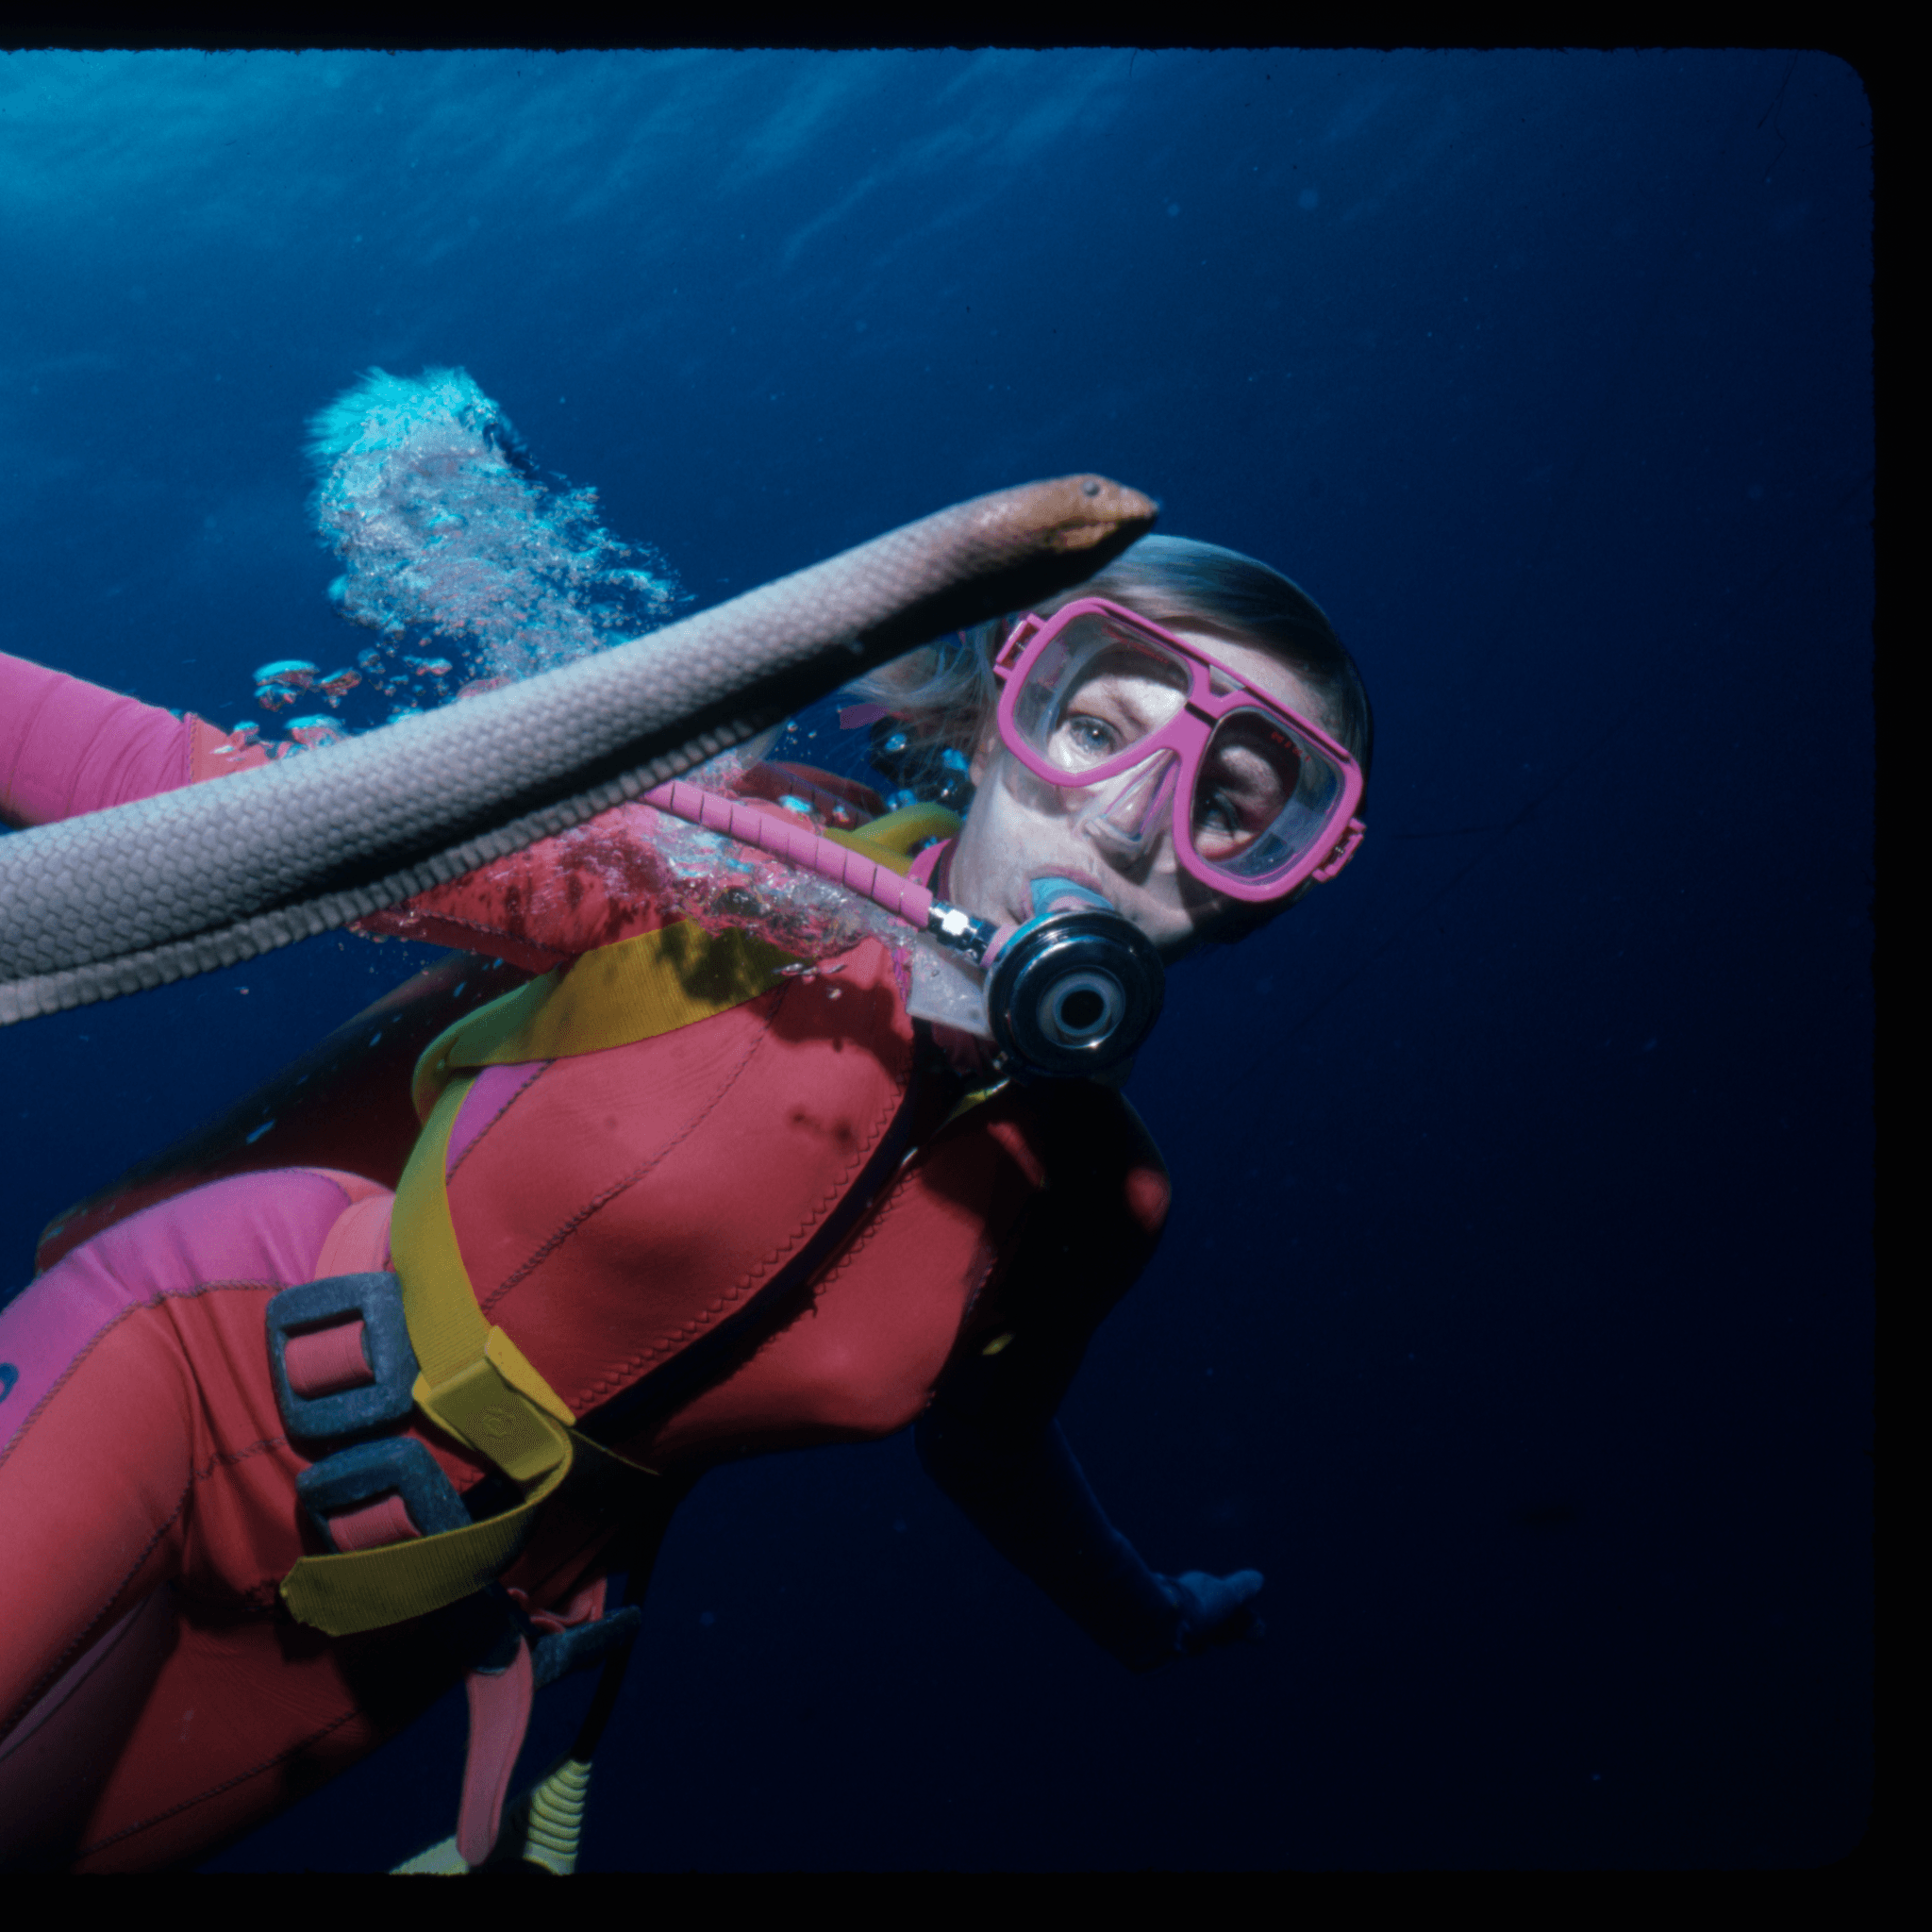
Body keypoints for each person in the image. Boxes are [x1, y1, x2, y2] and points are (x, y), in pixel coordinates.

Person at [0, 533, 1372, 1873]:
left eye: (1233, 808)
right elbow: (245, 817)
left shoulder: (1098, 1201)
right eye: (1100, 724)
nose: (1133, 815)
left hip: (410, 1623)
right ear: (1005, 713)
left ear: (1268, 894)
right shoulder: (736, 865)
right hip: (199, 1380)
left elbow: (993, 1449)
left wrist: (1143, 1613)